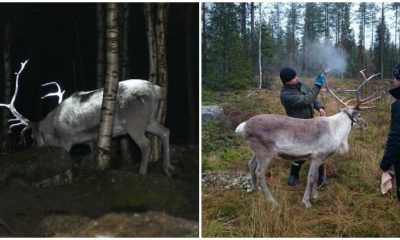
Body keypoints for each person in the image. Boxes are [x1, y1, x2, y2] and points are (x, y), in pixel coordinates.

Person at [279, 67, 329, 187]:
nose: (297, 78)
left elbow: (313, 98)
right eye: (294, 78)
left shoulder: (300, 85)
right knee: (300, 152)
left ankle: (320, 176)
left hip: (311, 123)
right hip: (297, 125)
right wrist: (317, 85)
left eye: (296, 76)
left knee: (318, 150)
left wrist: (320, 107)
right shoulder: (286, 95)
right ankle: (294, 175)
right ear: (287, 81)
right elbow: (307, 100)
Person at [379, 63, 400, 201]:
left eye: (396, 77)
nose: (394, 81)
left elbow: (397, 137)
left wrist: (385, 163)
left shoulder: (398, 106)